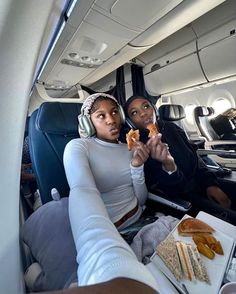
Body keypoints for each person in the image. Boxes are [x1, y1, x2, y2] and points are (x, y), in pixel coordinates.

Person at [62, 93, 160, 293]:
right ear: (88, 123)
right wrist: (104, 259)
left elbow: (140, 200)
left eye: (115, 112)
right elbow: (82, 190)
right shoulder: (79, 147)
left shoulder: (131, 147)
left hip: (142, 220)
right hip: (112, 233)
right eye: (101, 115)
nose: (111, 120)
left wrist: (137, 167)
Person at [124, 95, 236, 225]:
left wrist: (210, 184)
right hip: (184, 197)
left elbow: (195, 158)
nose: (143, 113)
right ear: (130, 121)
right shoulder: (139, 147)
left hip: (201, 181)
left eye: (145, 106)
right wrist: (169, 165)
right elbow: (169, 190)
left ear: (154, 108)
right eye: (134, 112)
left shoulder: (171, 127)